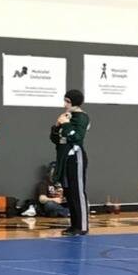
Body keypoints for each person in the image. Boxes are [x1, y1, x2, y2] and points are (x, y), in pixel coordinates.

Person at [51, 89, 91, 236]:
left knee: (78, 191)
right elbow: (56, 138)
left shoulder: (81, 117)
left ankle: (82, 226)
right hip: (64, 158)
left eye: (67, 101)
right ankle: (74, 225)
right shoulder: (66, 116)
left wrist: (66, 124)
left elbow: (77, 137)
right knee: (69, 192)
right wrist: (56, 126)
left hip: (76, 157)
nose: (65, 104)